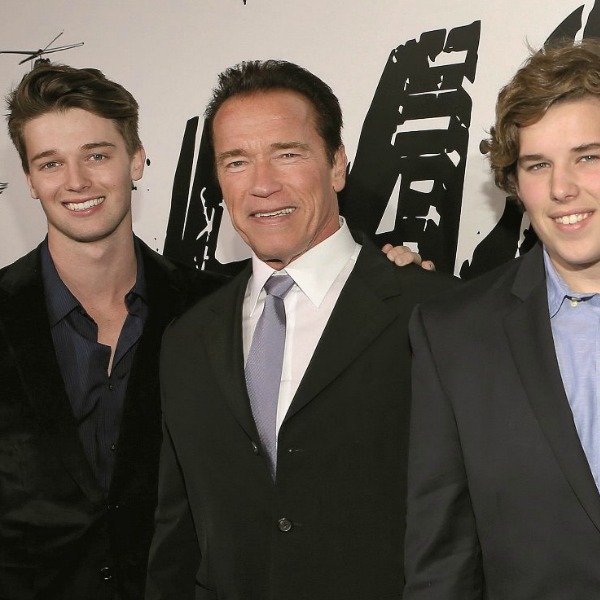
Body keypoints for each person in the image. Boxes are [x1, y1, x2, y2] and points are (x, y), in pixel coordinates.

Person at [146, 59, 455, 600]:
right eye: (236, 161)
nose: (262, 185)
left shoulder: (437, 315)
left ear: (337, 166)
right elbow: (180, 536)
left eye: (287, 154)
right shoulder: (187, 340)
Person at [0, 63, 225, 600]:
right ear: (29, 180)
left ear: (137, 160)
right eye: (50, 163)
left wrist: (394, 268)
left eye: (97, 155)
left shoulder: (215, 308)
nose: (76, 181)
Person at [404, 39, 600, 599]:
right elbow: (442, 561)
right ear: (515, 182)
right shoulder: (455, 335)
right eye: (538, 165)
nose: (562, 189)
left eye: (588, 156)